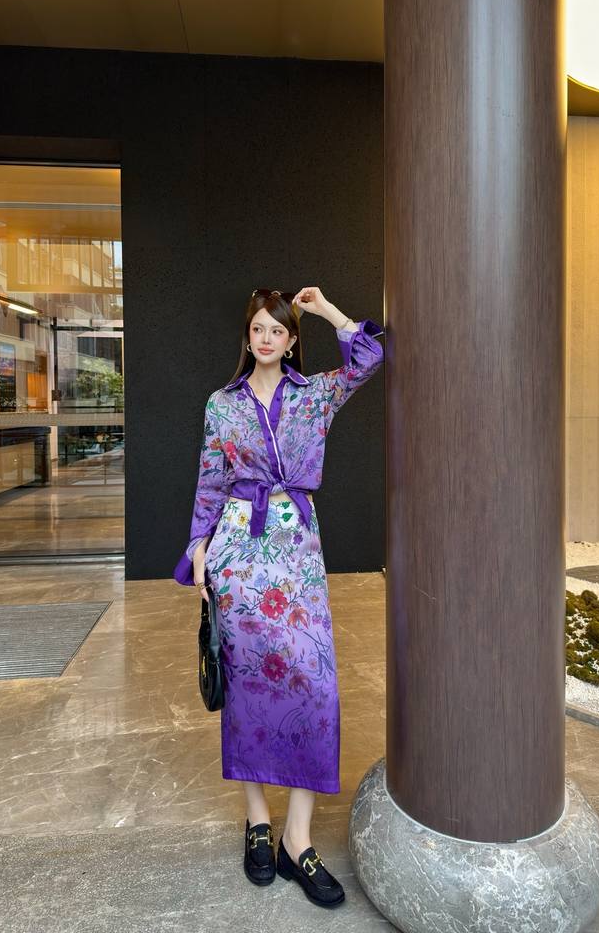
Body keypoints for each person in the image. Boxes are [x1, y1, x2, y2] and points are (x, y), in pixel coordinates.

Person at [173, 286, 385, 908]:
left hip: (296, 553)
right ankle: (258, 822)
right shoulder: (222, 404)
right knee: (248, 688)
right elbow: (210, 480)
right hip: (239, 554)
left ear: (291, 341)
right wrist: (199, 548)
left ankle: (298, 838)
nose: (265, 338)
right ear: (248, 337)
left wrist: (327, 312)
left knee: (313, 687)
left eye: (277, 330)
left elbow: (369, 359)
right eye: (257, 329)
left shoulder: (313, 394)